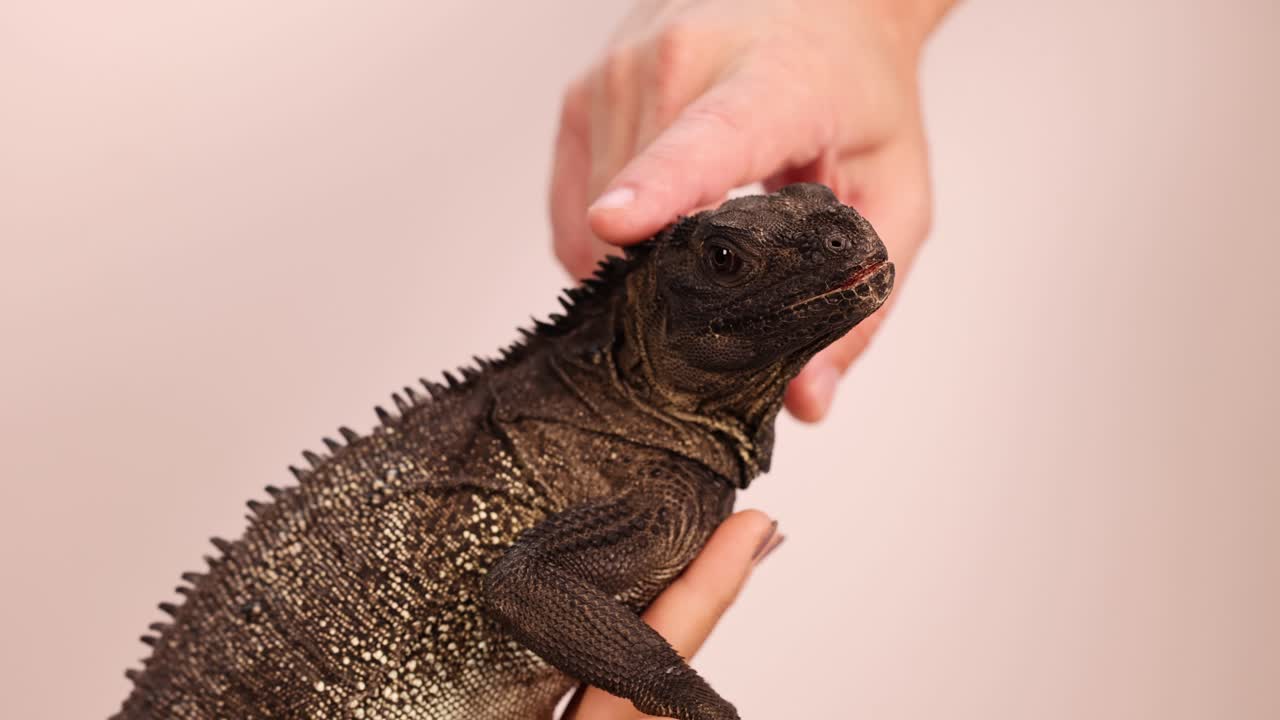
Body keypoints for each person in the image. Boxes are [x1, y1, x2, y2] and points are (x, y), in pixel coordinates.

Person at [550, 1, 955, 717]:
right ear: (660, 309)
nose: (839, 240)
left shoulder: (654, 452)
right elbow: (529, 583)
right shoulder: (618, 461)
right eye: (728, 261)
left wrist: (872, 21)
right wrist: (692, 702)